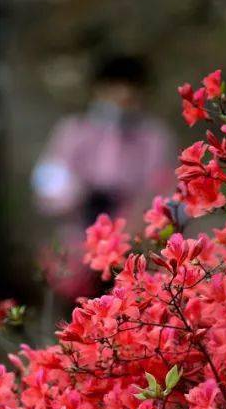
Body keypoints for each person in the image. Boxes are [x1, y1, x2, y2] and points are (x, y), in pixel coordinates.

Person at [31, 53, 175, 304]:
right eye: (114, 88)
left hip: (136, 244)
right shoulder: (72, 131)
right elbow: (49, 181)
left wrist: (137, 223)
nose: (122, 97)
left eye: (131, 89)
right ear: (98, 90)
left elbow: (167, 190)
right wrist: (76, 194)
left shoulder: (155, 137)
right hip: (80, 240)